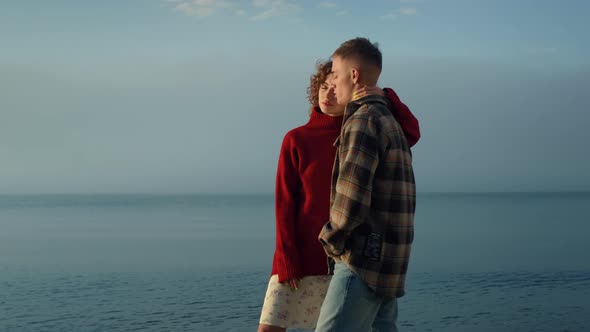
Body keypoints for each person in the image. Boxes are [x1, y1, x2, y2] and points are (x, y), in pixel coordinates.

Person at [258, 59, 419, 332]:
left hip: (343, 253)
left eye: (335, 87)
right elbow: (285, 203)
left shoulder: (360, 130)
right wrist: (286, 257)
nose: (328, 93)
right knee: (270, 328)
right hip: (300, 252)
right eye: (323, 87)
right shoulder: (296, 139)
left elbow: (411, 132)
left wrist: (384, 95)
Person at [315, 38, 416, 332]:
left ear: (354, 75)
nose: (332, 79)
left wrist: (330, 239)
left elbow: (352, 198)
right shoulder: (388, 119)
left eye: (335, 71)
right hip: (389, 260)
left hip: (362, 259)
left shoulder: (363, 121)